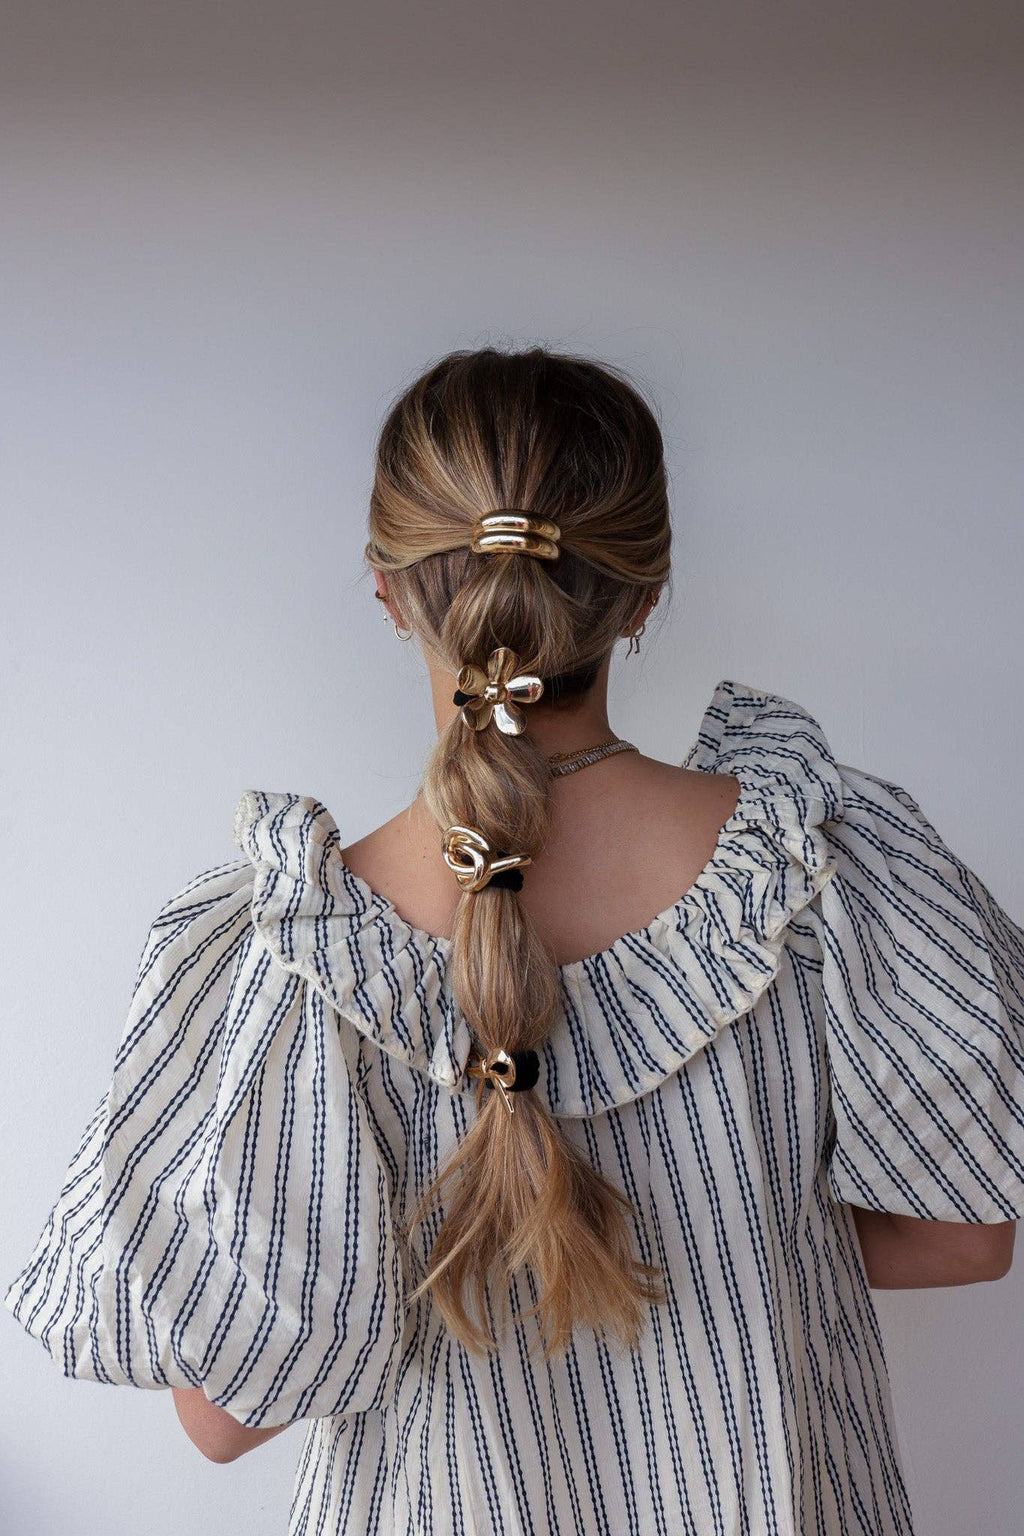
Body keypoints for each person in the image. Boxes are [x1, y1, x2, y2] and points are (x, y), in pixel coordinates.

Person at [5, 345, 1022, 1536]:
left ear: (389, 592)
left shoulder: (280, 963)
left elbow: (224, 1417)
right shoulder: (832, 871)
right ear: (643, 598)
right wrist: (720, 1224)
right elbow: (965, 1238)